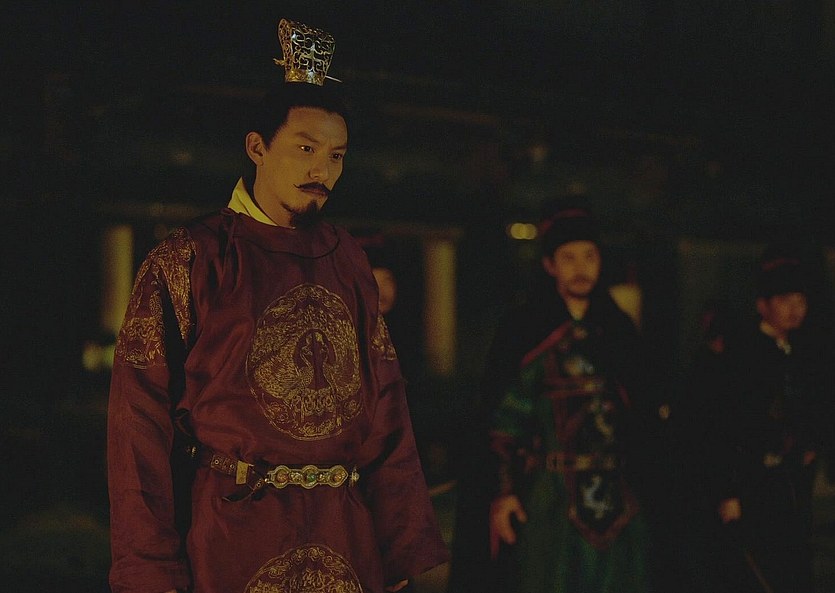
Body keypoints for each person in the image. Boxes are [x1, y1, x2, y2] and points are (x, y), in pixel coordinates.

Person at [106, 19, 448, 593]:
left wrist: (396, 545)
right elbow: (137, 425)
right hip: (232, 535)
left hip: (344, 535)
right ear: (257, 148)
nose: (322, 171)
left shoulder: (348, 260)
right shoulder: (190, 259)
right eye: (306, 149)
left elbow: (387, 406)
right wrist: (149, 569)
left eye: (336, 155)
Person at [485, 206, 650, 592]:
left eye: (589, 256)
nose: (581, 268)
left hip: (619, 499)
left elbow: (643, 420)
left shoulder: (619, 332)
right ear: (550, 265)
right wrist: (505, 493)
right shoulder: (525, 332)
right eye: (569, 257)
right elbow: (505, 422)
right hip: (551, 499)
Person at [707, 246, 825, 593]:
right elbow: (724, 427)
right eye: (785, 300)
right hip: (751, 482)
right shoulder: (742, 355)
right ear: (763, 305)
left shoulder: (801, 353)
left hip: (789, 484)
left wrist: (808, 445)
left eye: (800, 301)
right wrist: (728, 491)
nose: (794, 309)